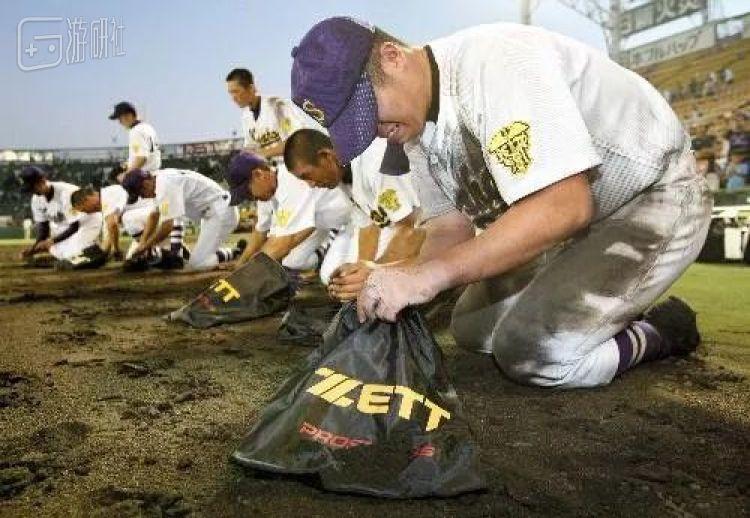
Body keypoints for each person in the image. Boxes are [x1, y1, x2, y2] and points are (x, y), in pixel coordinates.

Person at [289, 18, 712, 389]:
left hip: (652, 195)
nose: (377, 131)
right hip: (572, 223)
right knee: (472, 329)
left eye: (367, 110)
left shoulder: (495, 62)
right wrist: (401, 275)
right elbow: (447, 230)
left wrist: (428, 277)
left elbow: (565, 204)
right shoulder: (412, 126)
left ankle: (659, 331)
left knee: (534, 351)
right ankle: (594, 310)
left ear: (393, 57)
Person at [283, 129, 422, 300]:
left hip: (431, 228)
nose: (310, 185)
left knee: (376, 286)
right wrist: (360, 269)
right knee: (339, 280)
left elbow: (412, 230)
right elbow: (367, 227)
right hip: (397, 226)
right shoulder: (342, 176)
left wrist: (372, 275)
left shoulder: (374, 162)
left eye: (307, 175)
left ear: (326, 156)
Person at [225, 151, 352, 284]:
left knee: (332, 278)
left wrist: (245, 273)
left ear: (258, 175)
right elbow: (260, 232)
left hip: (349, 223)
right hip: (319, 223)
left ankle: (330, 241)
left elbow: (285, 242)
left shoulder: (291, 180)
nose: (249, 198)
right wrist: (240, 264)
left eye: (247, 192)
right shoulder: (267, 191)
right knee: (292, 261)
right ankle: (324, 252)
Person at [121, 168, 242, 271]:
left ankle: (237, 252)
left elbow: (167, 227)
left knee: (198, 264)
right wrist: (142, 243)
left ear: (145, 184)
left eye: (141, 193)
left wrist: (146, 246)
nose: (142, 197)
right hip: (212, 213)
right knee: (198, 259)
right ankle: (236, 251)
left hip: (221, 213)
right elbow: (154, 215)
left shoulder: (164, 185)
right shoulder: (159, 180)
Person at [19, 166, 104, 268]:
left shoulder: (66, 192)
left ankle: (98, 253)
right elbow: (43, 231)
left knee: (71, 251)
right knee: (55, 249)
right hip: (67, 227)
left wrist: (52, 241)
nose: (32, 191)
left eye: (33, 187)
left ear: (42, 181)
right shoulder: (36, 200)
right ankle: (72, 255)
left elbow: (75, 226)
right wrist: (34, 249)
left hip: (88, 221)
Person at [225, 68, 316, 162]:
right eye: (230, 93)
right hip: (271, 172)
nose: (233, 98)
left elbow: (297, 141)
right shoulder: (246, 117)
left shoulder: (277, 105)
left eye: (236, 91)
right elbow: (251, 149)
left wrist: (261, 153)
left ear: (251, 88)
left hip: (295, 166)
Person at [108, 102, 162, 173]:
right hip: (154, 173)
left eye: (120, 118)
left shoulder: (136, 131)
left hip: (144, 177)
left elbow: (141, 158)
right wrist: (125, 165)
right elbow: (141, 154)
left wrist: (126, 175)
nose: (120, 122)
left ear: (128, 115)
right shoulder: (148, 127)